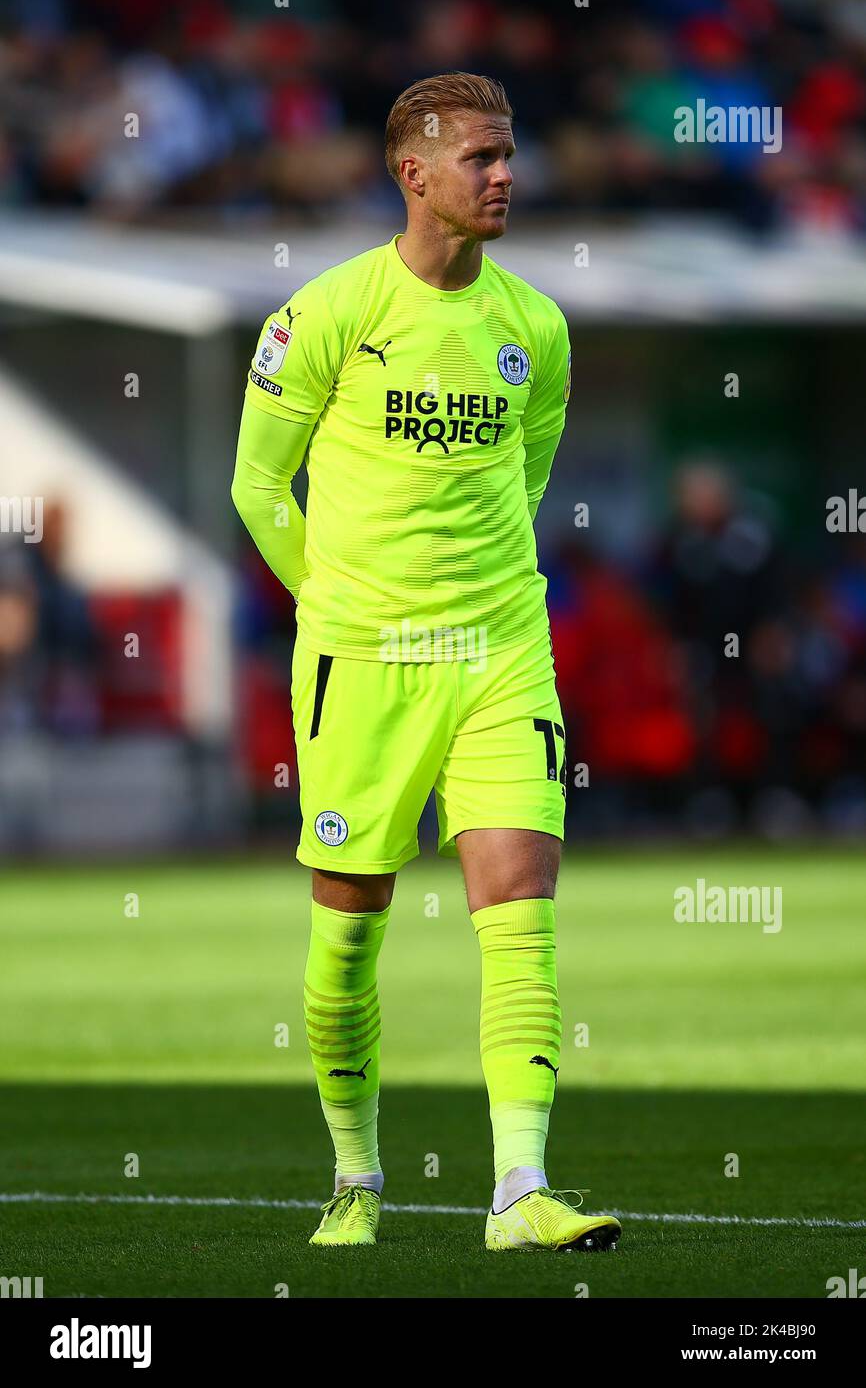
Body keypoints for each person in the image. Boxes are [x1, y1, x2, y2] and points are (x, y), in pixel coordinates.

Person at [232, 71, 620, 1254]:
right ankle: (355, 1177)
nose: (505, 176)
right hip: (363, 657)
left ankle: (518, 1189)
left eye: (511, 157)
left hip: (501, 649)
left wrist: (473, 599)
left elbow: (526, 482)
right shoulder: (326, 313)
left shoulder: (534, 327)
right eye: (482, 159)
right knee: (349, 924)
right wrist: (331, 598)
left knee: (519, 904)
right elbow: (257, 485)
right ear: (413, 171)